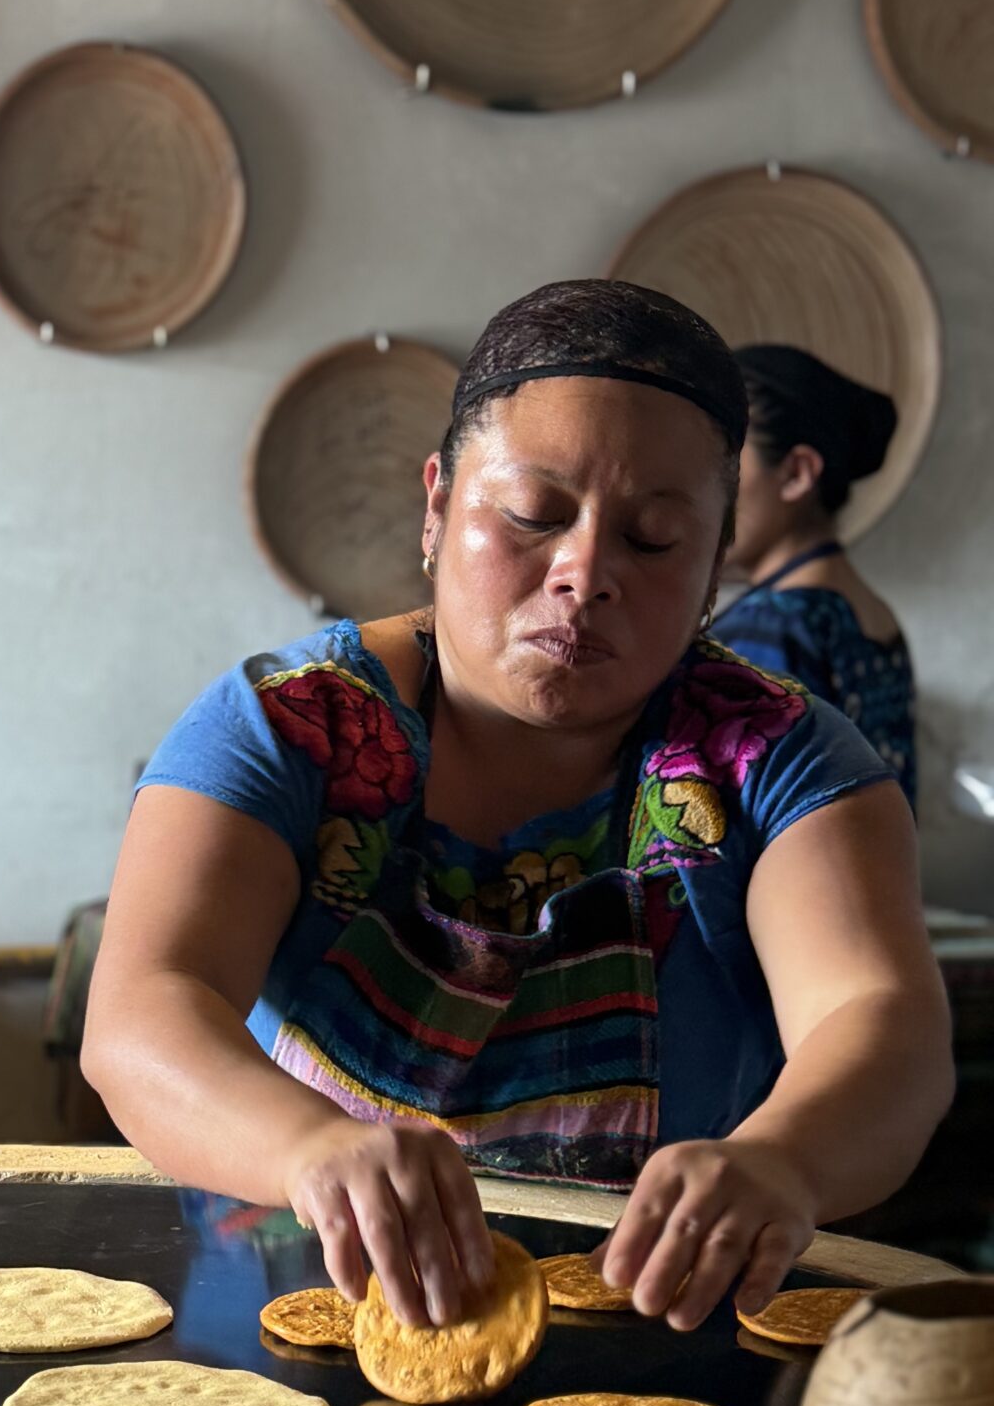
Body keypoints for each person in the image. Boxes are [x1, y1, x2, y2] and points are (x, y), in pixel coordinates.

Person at [83, 280, 951, 1335]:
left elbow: (882, 1027)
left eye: (656, 538)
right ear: (438, 503)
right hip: (281, 1340)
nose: (585, 575)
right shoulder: (286, 729)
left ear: (720, 558)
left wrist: (783, 1159)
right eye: (534, 516)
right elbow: (141, 1014)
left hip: (661, 1363)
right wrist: (313, 1147)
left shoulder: (780, 759)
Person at [712, 345, 915, 802]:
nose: (705, 492)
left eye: (725, 466)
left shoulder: (776, 623)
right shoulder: (874, 613)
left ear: (797, 474)